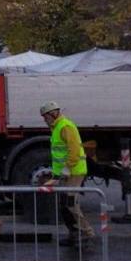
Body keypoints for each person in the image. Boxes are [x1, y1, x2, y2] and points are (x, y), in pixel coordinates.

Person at [39, 101, 95, 248]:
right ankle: (74, 234)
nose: (45, 120)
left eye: (46, 117)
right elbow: (60, 155)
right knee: (64, 205)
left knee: (70, 204)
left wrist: (65, 170)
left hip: (74, 172)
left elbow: (74, 152)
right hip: (67, 173)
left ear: (53, 114)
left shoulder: (65, 126)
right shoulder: (57, 127)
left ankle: (85, 232)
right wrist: (56, 177)